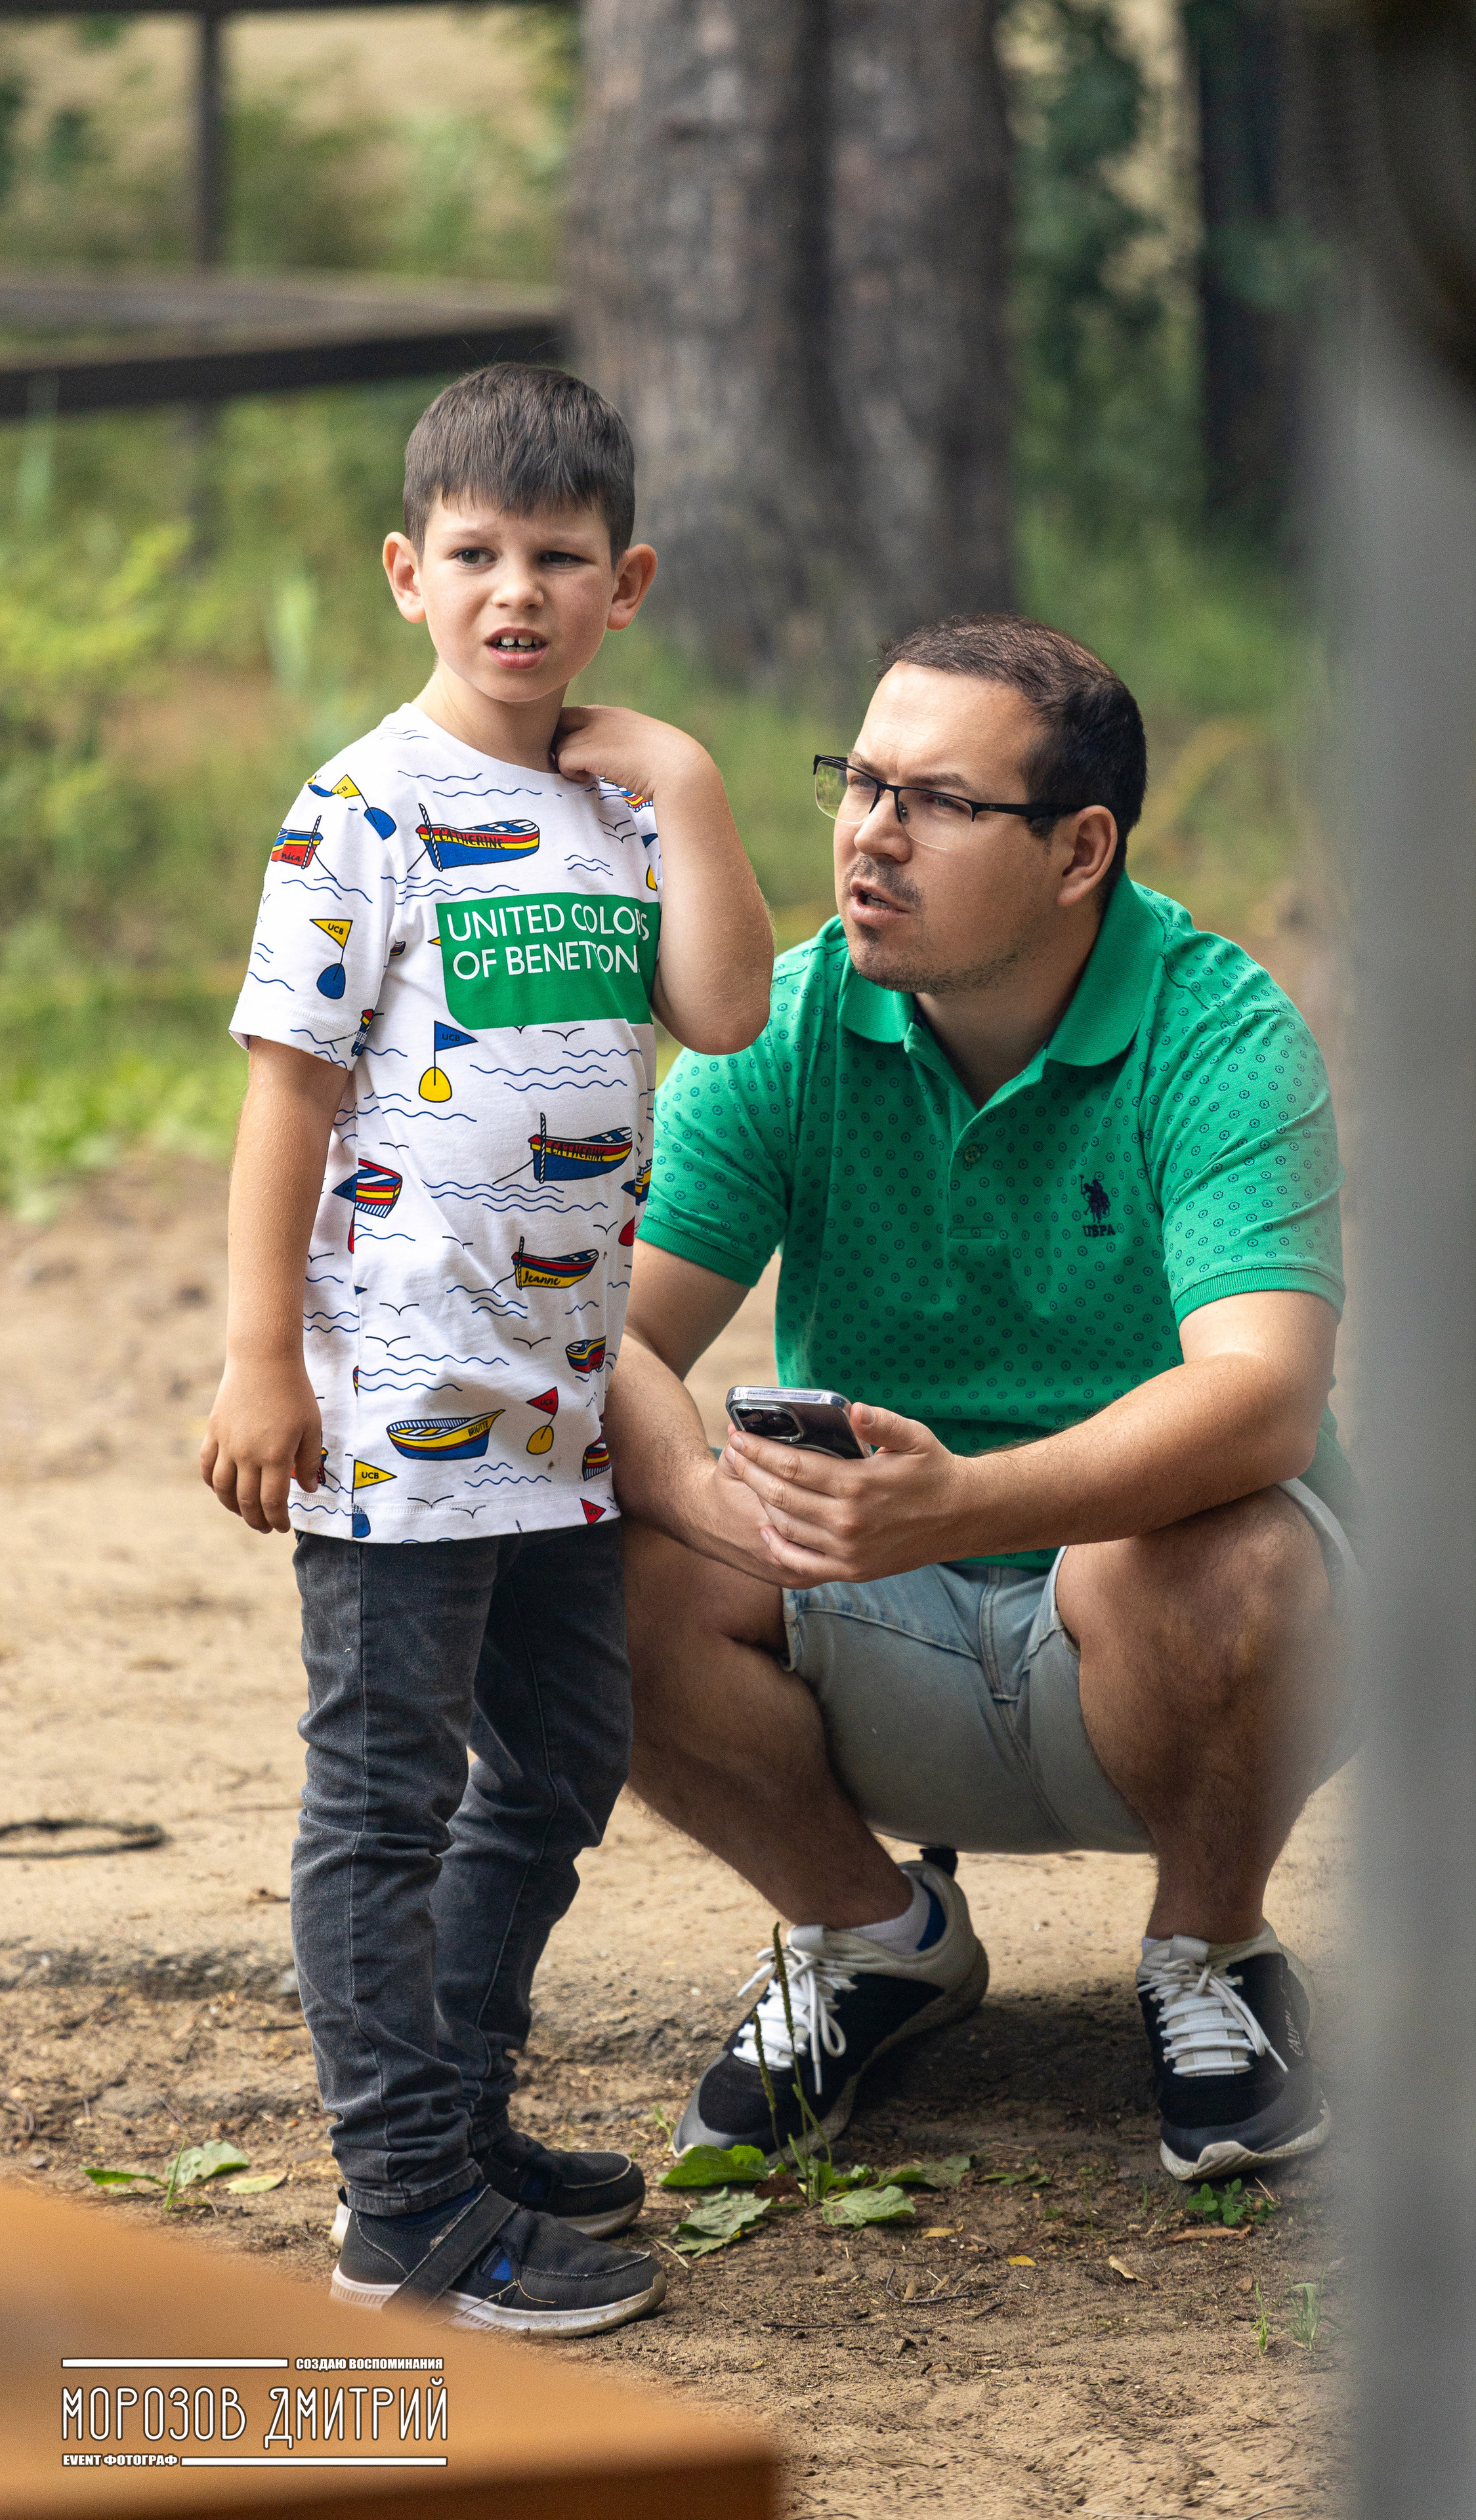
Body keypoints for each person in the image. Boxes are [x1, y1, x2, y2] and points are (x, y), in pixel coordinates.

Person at [606, 613, 1358, 2185]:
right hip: (875, 1611)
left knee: (1231, 1541)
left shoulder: (1216, 1036)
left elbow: (1263, 1398)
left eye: (938, 802)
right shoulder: (789, 1023)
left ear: (1080, 849)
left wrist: (965, 1500)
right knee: (557, 1528)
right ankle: (873, 1938)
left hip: (1156, 1641)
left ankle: (1210, 1955)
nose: (870, 839)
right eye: (858, 785)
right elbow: (610, 1340)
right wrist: (702, 1500)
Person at [200, 364, 772, 2332]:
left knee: (558, 1760)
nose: (514, 592)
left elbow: (722, 1007)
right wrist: (258, 1360)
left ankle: (456, 2108)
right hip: (388, 1398)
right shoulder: (360, 808)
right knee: (382, 1788)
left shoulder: (625, 807)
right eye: (474, 555)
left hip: (561, 1406)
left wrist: (688, 785)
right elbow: (285, 1095)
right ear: (406, 572)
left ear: (625, 582)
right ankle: (404, 2208)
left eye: (556, 558)